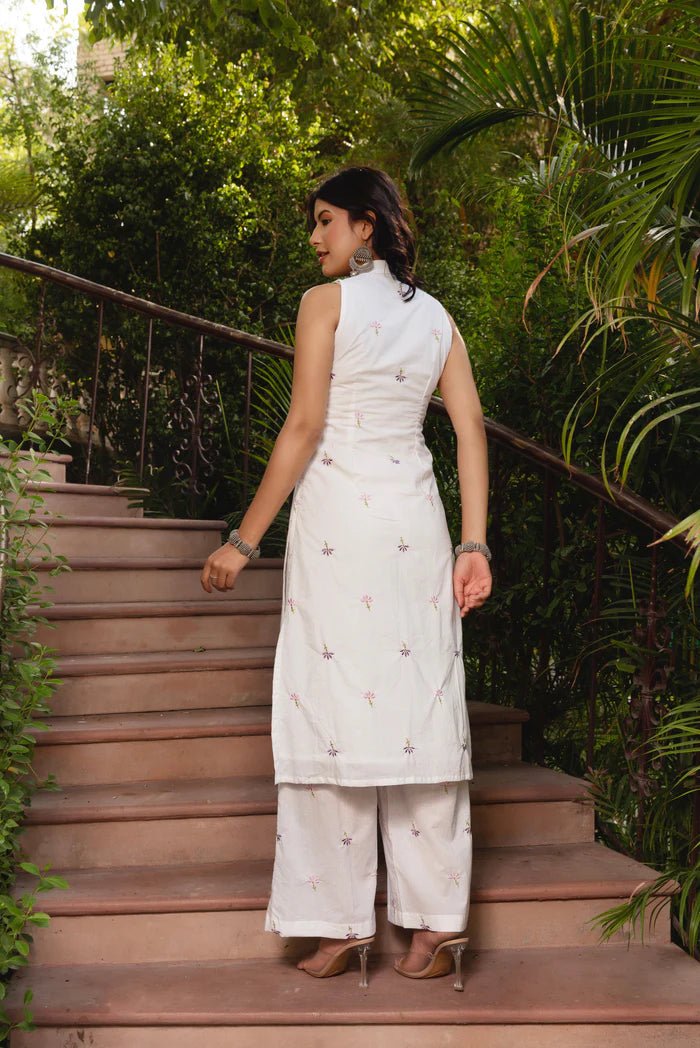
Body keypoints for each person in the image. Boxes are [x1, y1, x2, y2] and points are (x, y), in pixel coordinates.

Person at [201, 166, 491, 989]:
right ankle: (435, 923)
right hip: (415, 526)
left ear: (367, 225)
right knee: (420, 710)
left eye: (325, 220)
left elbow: (304, 424)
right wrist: (473, 544)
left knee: (329, 709)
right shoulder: (439, 318)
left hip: (339, 527)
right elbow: (470, 430)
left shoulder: (322, 303)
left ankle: (336, 925)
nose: (314, 237)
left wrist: (244, 541)